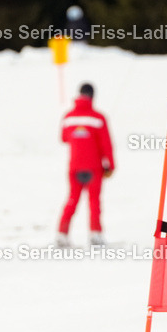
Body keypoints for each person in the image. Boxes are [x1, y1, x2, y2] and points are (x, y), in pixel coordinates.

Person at [57, 83, 114, 247]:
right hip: (94, 166)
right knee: (94, 201)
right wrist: (110, 165)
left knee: (72, 199)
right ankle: (95, 234)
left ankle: (62, 233)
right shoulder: (98, 118)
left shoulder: (68, 117)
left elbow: (64, 138)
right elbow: (106, 144)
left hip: (74, 166)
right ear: (93, 96)